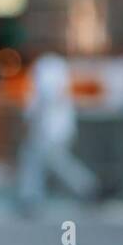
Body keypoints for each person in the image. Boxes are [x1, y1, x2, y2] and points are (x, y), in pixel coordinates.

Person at [17, 48, 97, 210]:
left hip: (47, 126)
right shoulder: (58, 66)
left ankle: (86, 187)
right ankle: (30, 197)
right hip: (55, 125)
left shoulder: (45, 66)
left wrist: (31, 116)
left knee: (55, 162)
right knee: (35, 160)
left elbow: (44, 96)